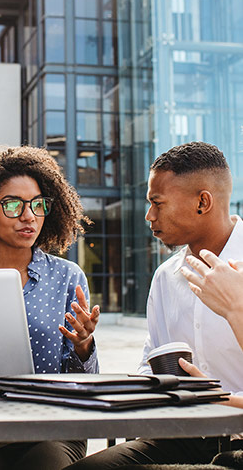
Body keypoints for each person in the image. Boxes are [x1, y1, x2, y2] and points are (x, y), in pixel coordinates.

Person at [64, 142, 243, 469]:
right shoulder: (166, 277)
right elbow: (153, 362)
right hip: (178, 436)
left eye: (157, 203)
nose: (149, 216)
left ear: (203, 202)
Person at [0, 145, 100, 469]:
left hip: (54, 422)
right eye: (13, 205)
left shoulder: (68, 277)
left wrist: (84, 345)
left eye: (37, 204)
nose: (28, 216)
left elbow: (85, 382)